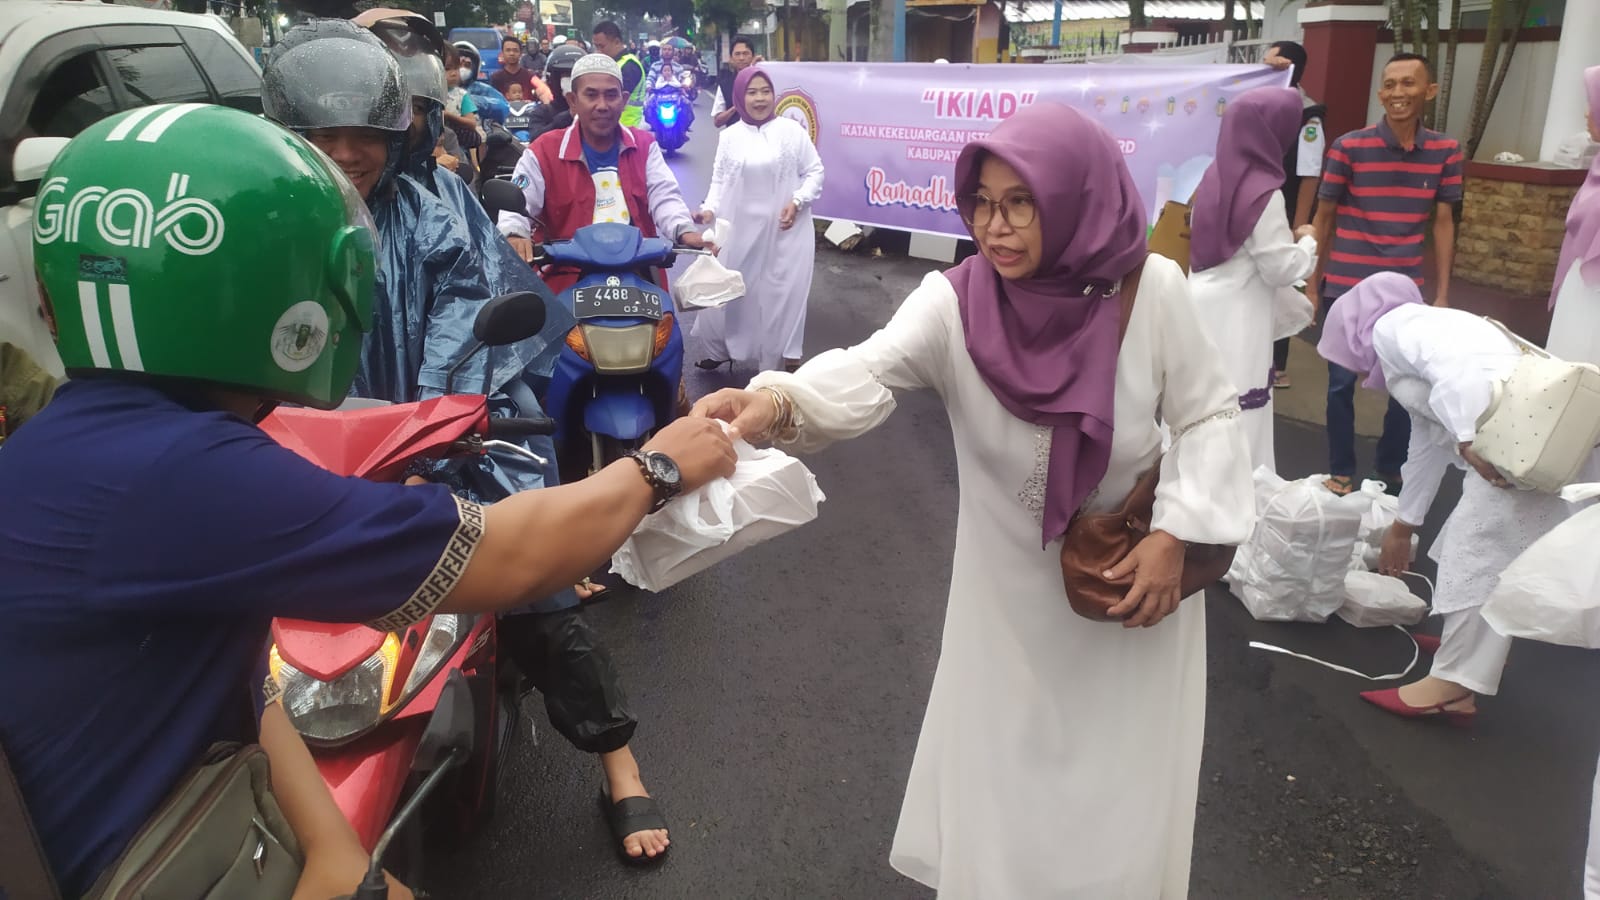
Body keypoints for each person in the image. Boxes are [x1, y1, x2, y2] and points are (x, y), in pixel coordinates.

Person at [0, 102, 736, 899]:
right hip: (149, 856)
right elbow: (508, 555)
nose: (348, 153)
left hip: (431, 433)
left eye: (364, 135)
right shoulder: (183, 472)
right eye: (325, 137)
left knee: (551, 619)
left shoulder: (59, 440)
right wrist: (659, 466)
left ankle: (616, 762)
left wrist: (337, 852)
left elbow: (241, 683)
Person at [691, 102, 1255, 897]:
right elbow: (867, 368)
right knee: (1005, 779)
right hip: (1007, 608)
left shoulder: (1151, 289)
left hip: (1129, 593)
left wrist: (1178, 533)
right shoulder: (957, 302)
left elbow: (1209, 413)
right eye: (982, 203)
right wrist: (774, 403)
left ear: (1074, 196)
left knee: (1115, 790)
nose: (997, 226)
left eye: (1021, 201)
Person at [1316, 272, 1571, 722]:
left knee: (1475, 551)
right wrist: (1403, 524)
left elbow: (1458, 375)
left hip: (1516, 443)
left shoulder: (1394, 329)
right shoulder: (1430, 327)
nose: (1354, 371)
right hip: (1529, 437)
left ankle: (1454, 683)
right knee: (1488, 549)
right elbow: (1427, 443)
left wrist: (1469, 439)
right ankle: (1476, 651)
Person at [1310, 52, 1463, 497]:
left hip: (1405, 293)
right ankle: (1341, 469)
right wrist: (1310, 285)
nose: (1398, 93)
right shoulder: (1348, 147)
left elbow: (1443, 223)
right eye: (1390, 84)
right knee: (1341, 384)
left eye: (1409, 84)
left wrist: (1443, 294)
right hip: (1347, 285)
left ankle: (1389, 468)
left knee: (1404, 389)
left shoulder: (1445, 152)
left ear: (1429, 91)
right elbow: (1324, 217)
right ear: (1381, 92)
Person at [497, 53, 713, 294]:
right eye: (591, 95)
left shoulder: (644, 145)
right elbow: (518, 204)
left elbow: (664, 196)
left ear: (623, 100)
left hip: (638, 275)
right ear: (572, 101)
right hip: (566, 279)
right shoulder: (543, 151)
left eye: (611, 95)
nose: (602, 105)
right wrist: (515, 233)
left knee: (669, 332)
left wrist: (684, 230)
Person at [1188, 87, 1318, 472]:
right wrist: (1308, 242)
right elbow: (1280, 268)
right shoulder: (1264, 193)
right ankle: (1233, 505)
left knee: (1198, 404)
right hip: (1239, 315)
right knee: (1238, 408)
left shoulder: (1213, 177)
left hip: (1201, 306)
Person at [691, 66, 825, 374]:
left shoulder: (791, 132)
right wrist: (709, 209)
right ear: (739, 97)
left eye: (765, 91)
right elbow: (719, 180)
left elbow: (815, 171)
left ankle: (787, 360)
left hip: (787, 231)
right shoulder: (731, 137)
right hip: (741, 231)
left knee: (785, 295)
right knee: (732, 293)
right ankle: (721, 348)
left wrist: (797, 200)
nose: (760, 98)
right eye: (752, 92)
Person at [1262, 39, 1327, 390]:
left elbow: (1310, 173)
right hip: (1266, 207)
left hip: (1286, 211)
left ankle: (1278, 364)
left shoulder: (1309, 115)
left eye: (1272, 62)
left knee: (1282, 283)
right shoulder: (1265, 102)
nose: (1263, 67)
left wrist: (1296, 226)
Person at [591, 21, 648, 129]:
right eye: (596, 47)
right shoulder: (614, 64)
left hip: (628, 128)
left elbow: (612, 98)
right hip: (614, 127)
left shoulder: (629, 66)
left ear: (617, 42)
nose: (598, 51)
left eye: (601, 46)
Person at [491, 35, 554, 105]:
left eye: (515, 50)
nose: (511, 53)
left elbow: (543, 89)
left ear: (521, 53)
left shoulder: (530, 76)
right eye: (508, 50)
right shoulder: (496, 78)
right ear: (502, 53)